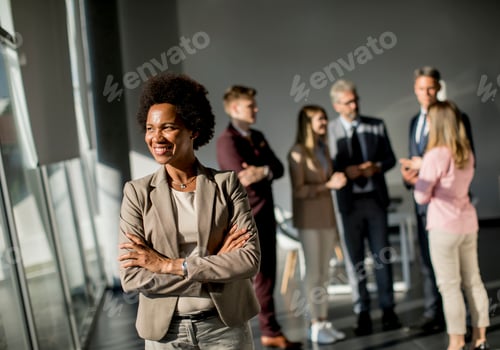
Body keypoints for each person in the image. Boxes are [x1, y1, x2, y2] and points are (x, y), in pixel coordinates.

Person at [117, 73, 261, 349]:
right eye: (149, 128)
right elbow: (132, 277)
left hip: (224, 329)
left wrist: (169, 265)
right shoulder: (136, 193)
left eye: (167, 127)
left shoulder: (226, 185)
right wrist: (216, 272)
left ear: (193, 129)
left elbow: (248, 260)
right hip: (166, 335)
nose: (155, 137)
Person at [216, 85, 301, 349]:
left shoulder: (258, 136)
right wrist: (259, 172)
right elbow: (239, 178)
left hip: (265, 217)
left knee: (268, 277)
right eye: (250, 105)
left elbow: (277, 168)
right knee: (256, 278)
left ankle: (269, 330)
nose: (256, 109)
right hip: (246, 221)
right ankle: (261, 331)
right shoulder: (227, 141)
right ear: (233, 109)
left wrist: (261, 171)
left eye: (255, 104)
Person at [399, 66, 475, 333]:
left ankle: (464, 322)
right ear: (415, 90)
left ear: (438, 88)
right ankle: (435, 313)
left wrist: (427, 167)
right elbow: (420, 176)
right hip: (425, 208)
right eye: (421, 88)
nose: (427, 93)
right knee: (429, 264)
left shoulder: (454, 116)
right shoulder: (413, 121)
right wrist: (413, 176)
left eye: (431, 88)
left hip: (449, 208)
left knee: (461, 273)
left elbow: (465, 160)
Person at [409, 100, 490, 350]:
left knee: (449, 286)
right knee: (473, 282)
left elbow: (421, 196)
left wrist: (414, 177)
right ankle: (480, 338)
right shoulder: (466, 151)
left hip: (444, 226)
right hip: (467, 223)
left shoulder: (435, 155)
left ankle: (456, 343)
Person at [327, 79, 401, 336]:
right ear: (336, 105)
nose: (354, 104)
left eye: (356, 99)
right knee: (353, 261)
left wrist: (376, 167)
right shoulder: (329, 131)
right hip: (348, 205)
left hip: (374, 200)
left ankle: (389, 309)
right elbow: (325, 168)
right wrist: (342, 171)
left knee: (382, 257)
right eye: (348, 102)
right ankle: (362, 313)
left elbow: (390, 158)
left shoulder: (376, 125)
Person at [287, 105, 348, 344]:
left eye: (325, 118)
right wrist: (328, 186)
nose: (325, 122)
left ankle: (323, 321)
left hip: (327, 218)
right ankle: (314, 324)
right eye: (320, 119)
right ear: (307, 123)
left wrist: (332, 183)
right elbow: (299, 190)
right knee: (313, 273)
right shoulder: (297, 153)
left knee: (326, 272)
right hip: (309, 221)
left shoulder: (324, 149)